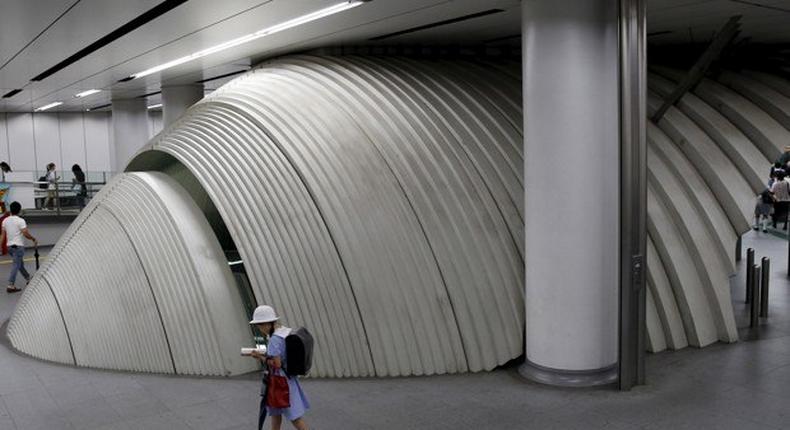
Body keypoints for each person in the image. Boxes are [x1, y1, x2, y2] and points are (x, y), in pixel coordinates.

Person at [248, 305, 310, 430]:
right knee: (275, 414)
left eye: (260, 325)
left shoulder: (274, 340)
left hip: (281, 383)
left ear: (268, 324)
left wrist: (260, 357)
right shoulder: (283, 331)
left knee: (294, 417)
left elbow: (277, 364)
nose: (260, 329)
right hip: (286, 379)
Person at [0, 201, 37, 293]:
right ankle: (10, 285)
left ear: (10, 210)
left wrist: (0, 246)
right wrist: (33, 238)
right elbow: (25, 233)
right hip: (18, 247)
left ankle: (28, 278)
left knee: (20, 264)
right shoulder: (21, 221)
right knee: (16, 265)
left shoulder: (5, 220)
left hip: (9, 247)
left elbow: (2, 235)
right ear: (19, 210)